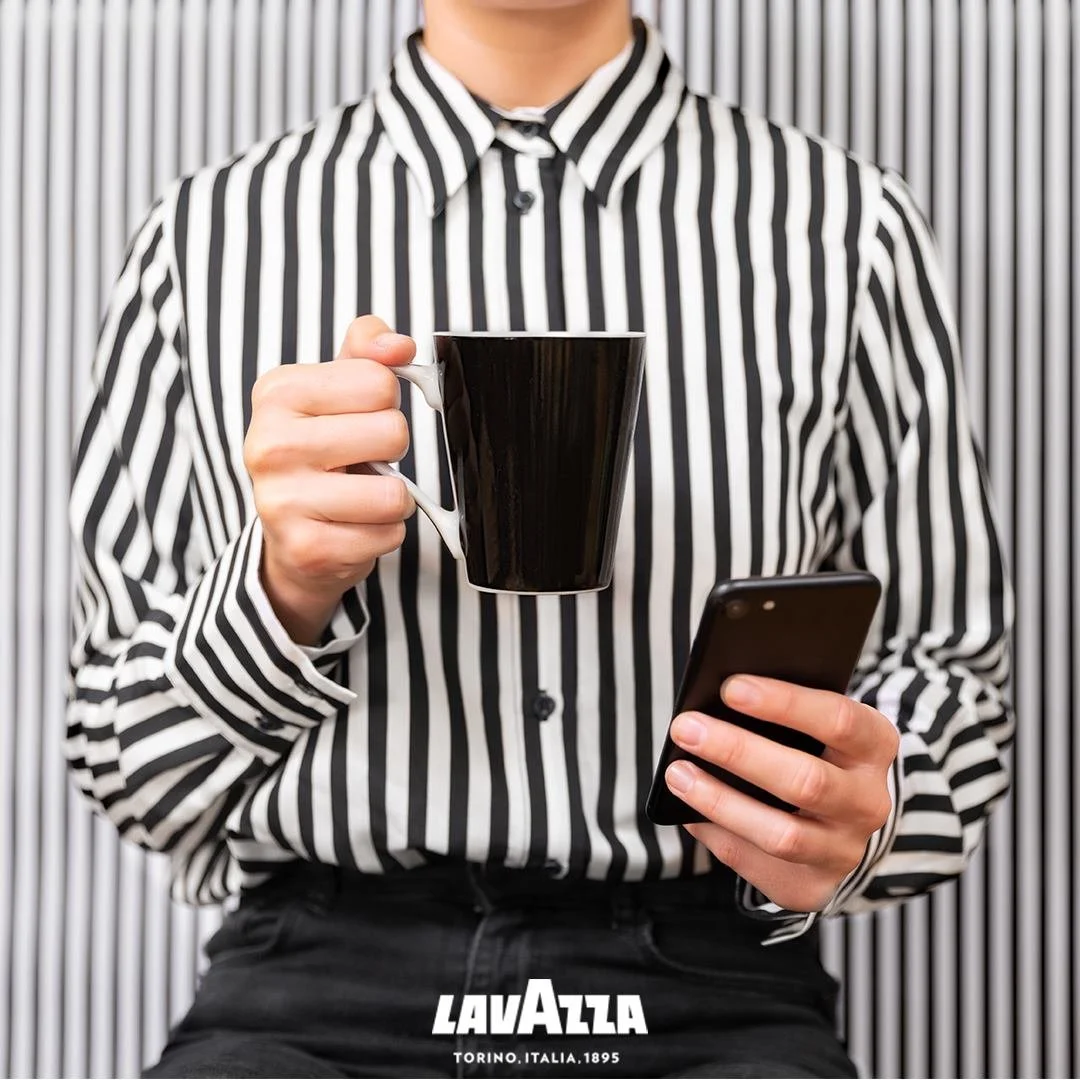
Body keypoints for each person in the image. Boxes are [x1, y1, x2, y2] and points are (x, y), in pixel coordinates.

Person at [67, 1, 1014, 1076]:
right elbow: (119, 758)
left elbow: (949, 672)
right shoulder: (209, 237)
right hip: (313, 981)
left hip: (714, 984)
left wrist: (872, 812)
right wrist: (279, 587)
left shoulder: (849, 229)